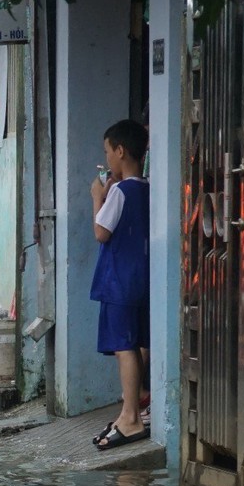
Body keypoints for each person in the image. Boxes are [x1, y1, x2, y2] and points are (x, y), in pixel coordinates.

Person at [91, 118, 150, 451]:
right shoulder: (146, 187)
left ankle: (130, 418)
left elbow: (101, 232)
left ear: (120, 151)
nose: (107, 158)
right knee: (135, 344)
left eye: (107, 151)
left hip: (119, 282)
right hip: (140, 281)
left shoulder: (121, 191)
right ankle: (131, 411)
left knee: (124, 348)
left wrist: (97, 195)